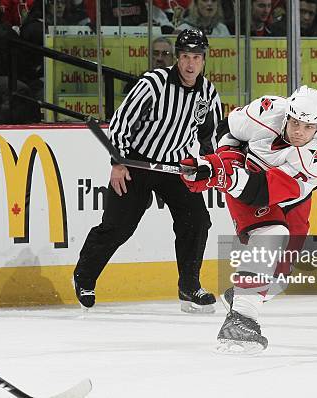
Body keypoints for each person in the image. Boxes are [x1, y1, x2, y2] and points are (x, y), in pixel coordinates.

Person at [73, 29, 222, 313]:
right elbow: (121, 122)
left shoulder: (207, 94)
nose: (191, 64)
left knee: (197, 220)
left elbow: (209, 137)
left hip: (175, 165)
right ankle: (84, 276)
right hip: (135, 162)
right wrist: (117, 162)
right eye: (186, 57)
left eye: (197, 58)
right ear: (178, 58)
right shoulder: (154, 83)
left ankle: (189, 286)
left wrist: (208, 166)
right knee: (119, 226)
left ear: (204, 60)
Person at [180, 85, 317, 353]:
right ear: (287, 115)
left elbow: (262, 191)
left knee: (281, 277)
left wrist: (222, 174)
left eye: (307, 127)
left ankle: (242, 295)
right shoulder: (267, 110)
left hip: (285, 195)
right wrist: (221, 164)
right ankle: (241, 321)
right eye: (294, 122)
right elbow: (226, 130)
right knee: (271, 234)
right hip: (246, 173)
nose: (298, 131)